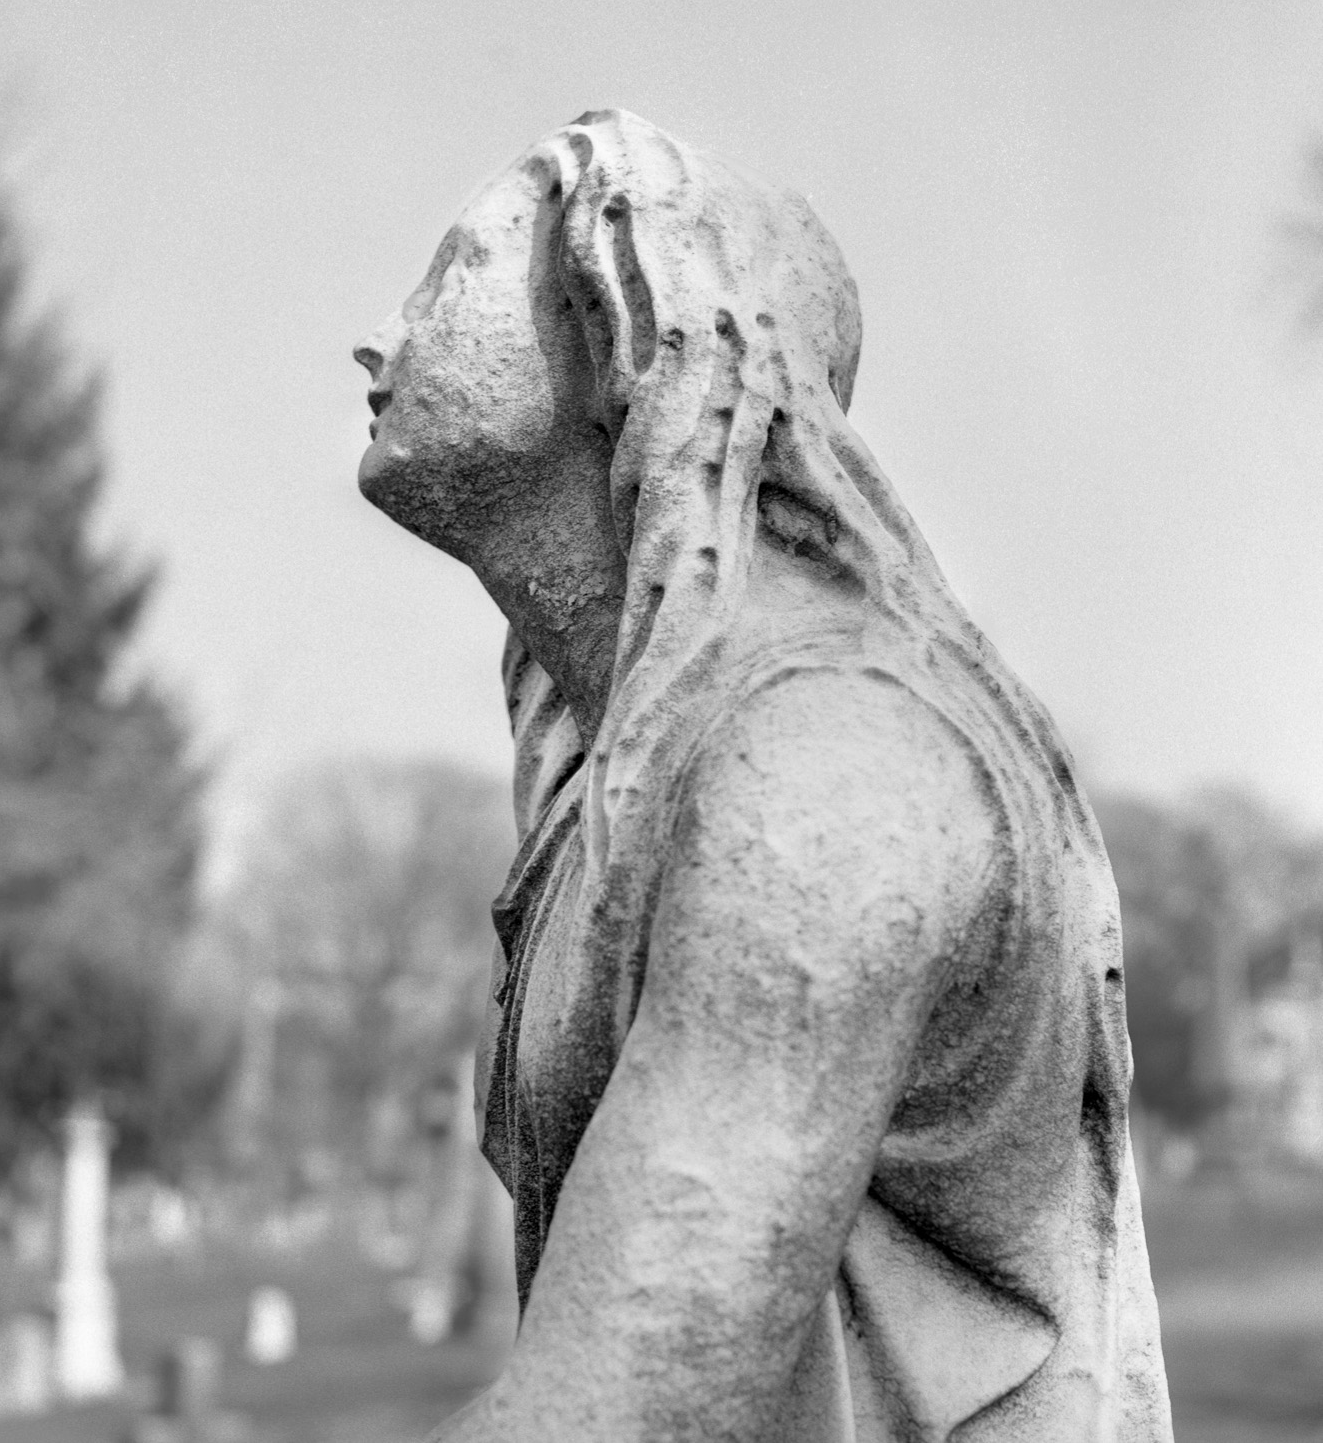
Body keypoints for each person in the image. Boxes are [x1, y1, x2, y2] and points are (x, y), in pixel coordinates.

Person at [353, 109, 1172, 1441]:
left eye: (453, 274)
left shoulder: (825, 766)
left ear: (624, 326)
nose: (384, 329)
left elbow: (621, 1413)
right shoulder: (612, 793)